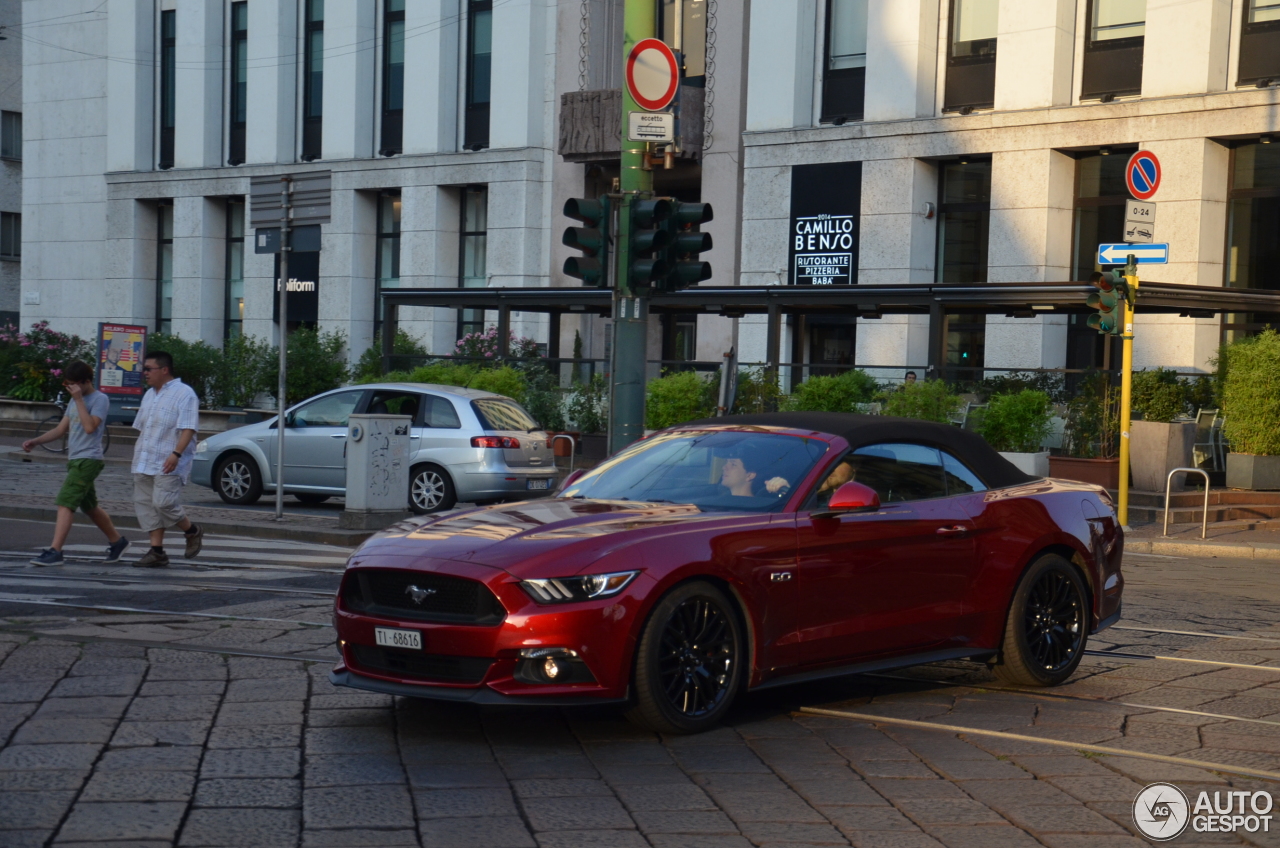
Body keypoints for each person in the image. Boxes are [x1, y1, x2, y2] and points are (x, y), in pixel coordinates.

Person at [23, 361, 131, 566]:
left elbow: (90, 427)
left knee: (65, 502)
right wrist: (35, 441)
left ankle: (56, 551)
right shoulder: (74, 400)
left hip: (88, 459)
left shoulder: (100, 399)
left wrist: (79, 400)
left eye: (73, 384)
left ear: (86, 381)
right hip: (75, 459)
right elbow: (61, 429)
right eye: (67, 384)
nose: (70, 388)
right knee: (90, 507)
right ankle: (118, 542)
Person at [130, 351, 203, 568]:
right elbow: (143, 427)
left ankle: (192, 531)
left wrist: (176, 454)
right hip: (145, 457)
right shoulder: (149, 394)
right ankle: (157, 551)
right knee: (147, 506)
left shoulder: (185, 393)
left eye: (148, 369)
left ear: (164, 370)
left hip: (169, 459)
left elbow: (189, 428)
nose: (145, 374)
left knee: (164, 503)